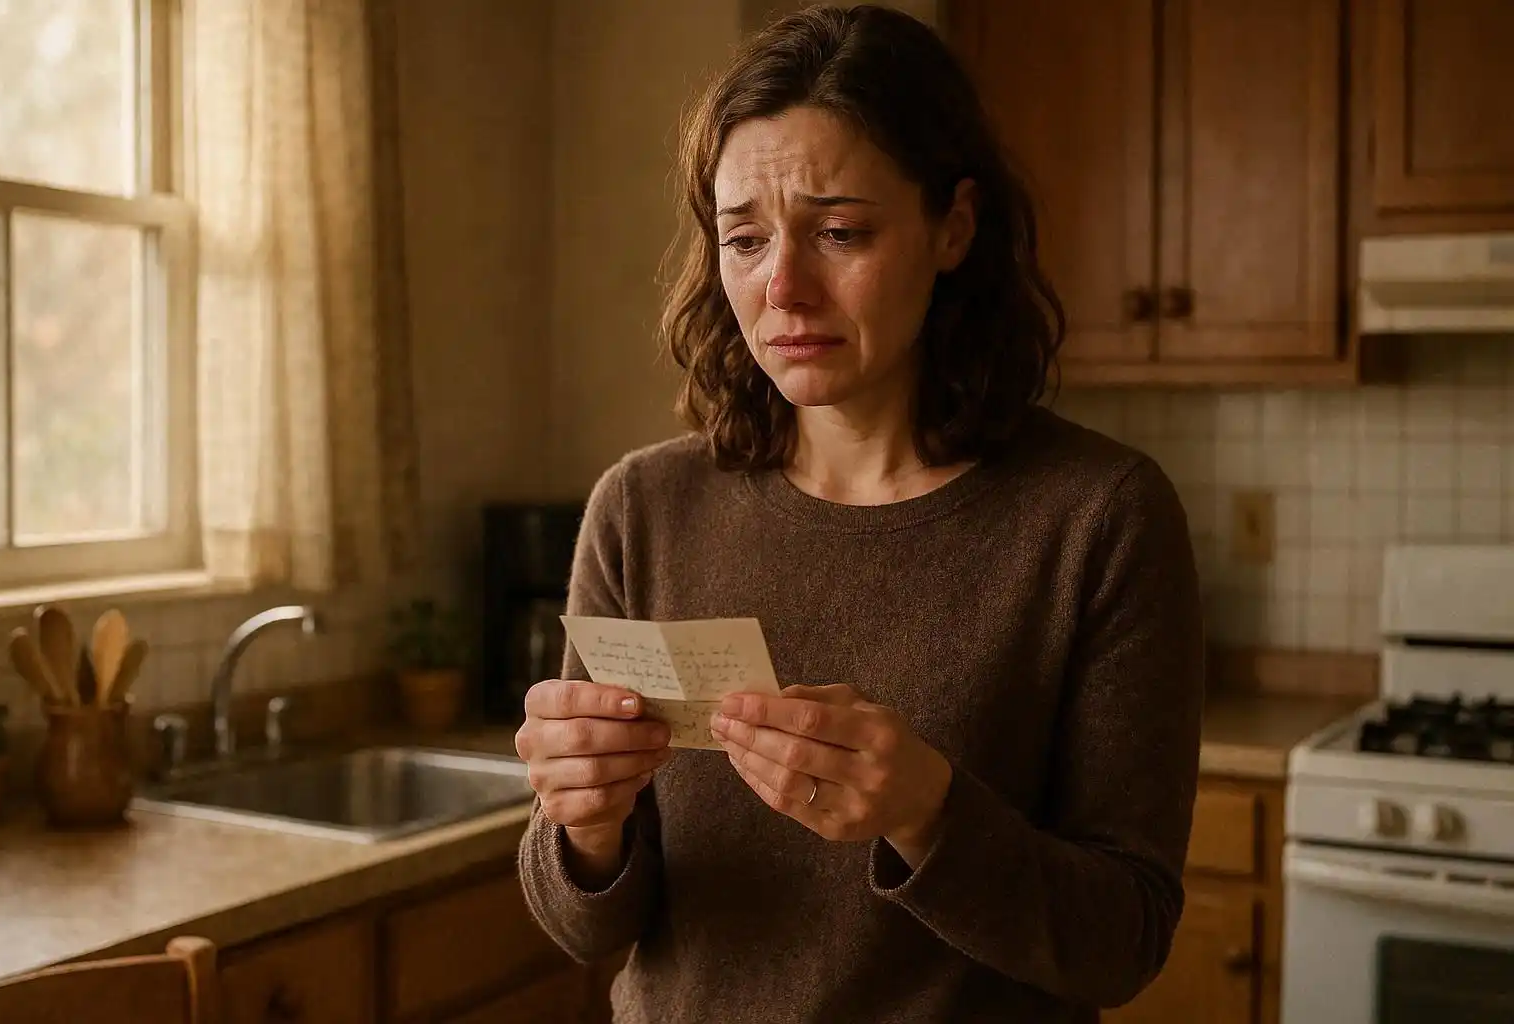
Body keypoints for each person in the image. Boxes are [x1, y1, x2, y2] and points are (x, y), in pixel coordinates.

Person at [514, 5, 1205, 1022]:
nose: (783, 287)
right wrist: (583, 827)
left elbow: (1123, 943)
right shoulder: (642, 507)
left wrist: (929, 811)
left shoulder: (1099, 518)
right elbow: (585, 927)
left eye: (840, 232)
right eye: (744, 240)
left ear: (953, 228)